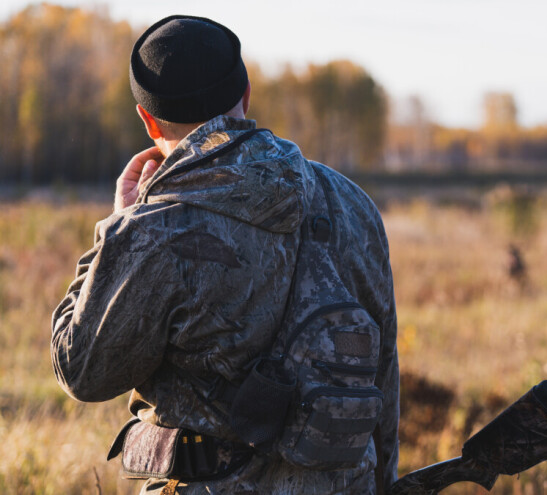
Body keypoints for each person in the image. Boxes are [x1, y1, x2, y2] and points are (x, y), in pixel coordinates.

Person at [51, 15, 398, 494]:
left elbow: (80, 371)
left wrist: (116, 231)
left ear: (147, 119)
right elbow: (384, 374)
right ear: (247, 95)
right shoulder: (354, 204)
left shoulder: (153, 231)